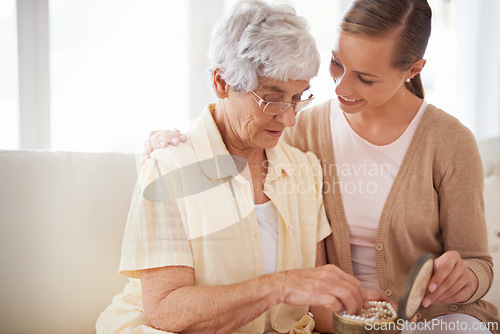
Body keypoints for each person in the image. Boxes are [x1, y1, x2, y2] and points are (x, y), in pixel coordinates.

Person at [144, 0, 500, 332]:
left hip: (435, 321)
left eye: (365, 77)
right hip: (347, 322)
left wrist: (466, 277)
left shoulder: (451, 142)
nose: (341, 86)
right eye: (336, 62)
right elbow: (242, 115)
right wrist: (174, 141)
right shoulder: (302, 127)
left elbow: (479, 264)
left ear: (414, 69)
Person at [96, 1, 372, 333]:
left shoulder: (302, 170)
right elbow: (165, 310)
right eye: (272, 98)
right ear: (222, 83)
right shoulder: (170, 168)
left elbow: (313, 303)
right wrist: (278, 286)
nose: (288, 118)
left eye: (298, 97)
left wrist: (368, 317)